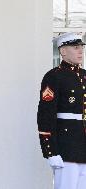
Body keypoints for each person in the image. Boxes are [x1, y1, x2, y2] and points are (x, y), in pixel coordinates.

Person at [37, 32, 86, 189]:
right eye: (75, 47)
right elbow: (45, 115)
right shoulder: (54, 76)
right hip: (66, 147)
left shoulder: (84, 76)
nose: (81, 51)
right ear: (63, 51)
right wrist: (50, 151)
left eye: (81, 47)